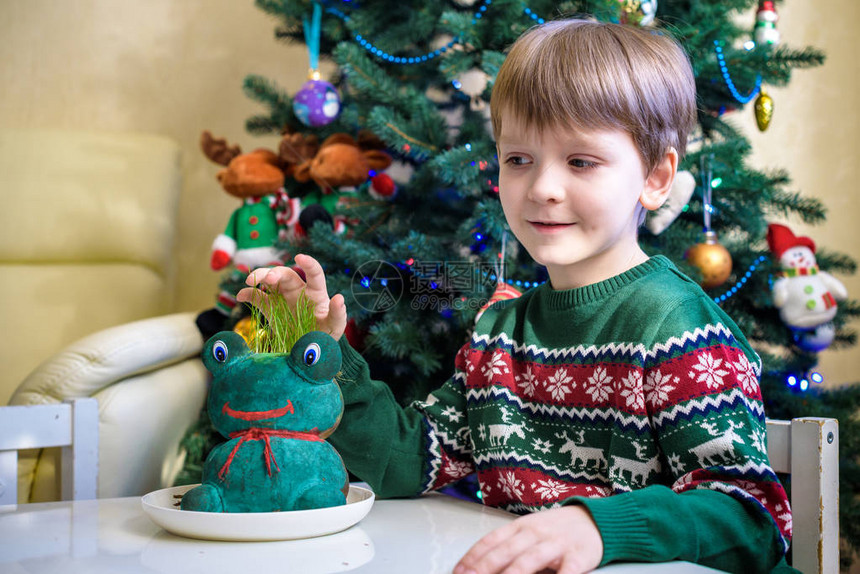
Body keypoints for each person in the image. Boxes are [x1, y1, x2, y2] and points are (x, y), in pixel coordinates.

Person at [238, 19, 792, 574]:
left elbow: (750, 521)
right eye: (519, 159)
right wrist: (322, 358)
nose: (543, 188)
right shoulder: (498, 334)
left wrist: (598, 527)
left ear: (655, 176)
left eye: (580, 161)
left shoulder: (678, 327)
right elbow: (406, 462)